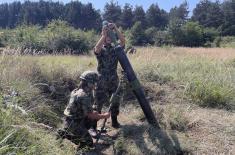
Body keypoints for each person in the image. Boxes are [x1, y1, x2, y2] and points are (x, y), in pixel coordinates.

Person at [58, 71, 110, 150]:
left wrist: (94, 113)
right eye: (94, 83)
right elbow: (91, 115)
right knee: (89, 144)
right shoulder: (84, 96)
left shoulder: (76, 90)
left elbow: (83, 110)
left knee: (93, 117)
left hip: (72, 119)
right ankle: (66, 135)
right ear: (89, 83)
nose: (95, 85)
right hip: (74, 122)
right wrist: (105, 116)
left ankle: (72, 133)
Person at [93, 21, 125, 128]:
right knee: (98, 103)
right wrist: (104, 35)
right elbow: (96, 48)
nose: (108, 38)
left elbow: (123, 41)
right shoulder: (101, 50)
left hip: (113, 79)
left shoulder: (115, 49)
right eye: (107, 36)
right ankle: (93, 127)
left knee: (115, 101)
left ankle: (114, 122)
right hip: (101, 80)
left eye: (110, 36)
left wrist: (115, 28)